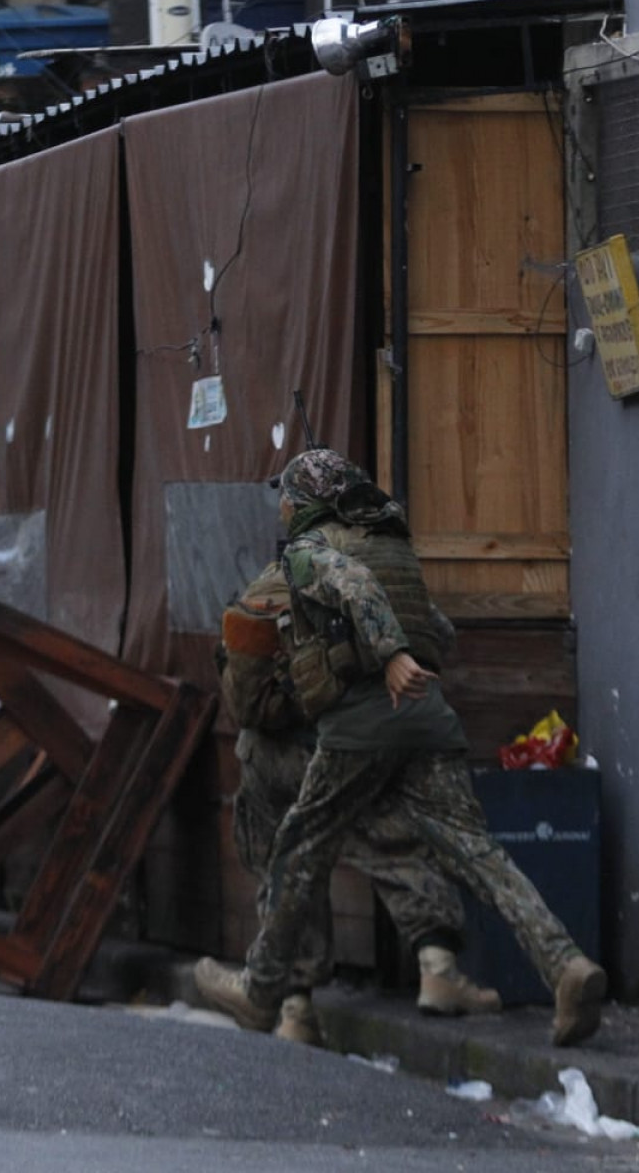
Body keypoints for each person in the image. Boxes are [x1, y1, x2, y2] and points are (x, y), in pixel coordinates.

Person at [197, 449, 607, 1048]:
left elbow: (351, 587)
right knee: (480, 855)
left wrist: (386, 656)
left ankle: (263, 993)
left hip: (362, 727)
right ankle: (566, 966)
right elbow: (439, 632)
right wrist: (402, 656)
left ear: (305, 504)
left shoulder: (310, 554)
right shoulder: (393, 548)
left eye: (286, 497)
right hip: (430, 723)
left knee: (296, 850)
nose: (281, 508)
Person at [219, 561, 502, 1045]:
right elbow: (435, 637)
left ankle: (296, 1008)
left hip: (265, 754)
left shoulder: (271, 575)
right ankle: (437, 970)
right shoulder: (371, 570)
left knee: (288, 869)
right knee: (392, 841)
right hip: (340, 745)